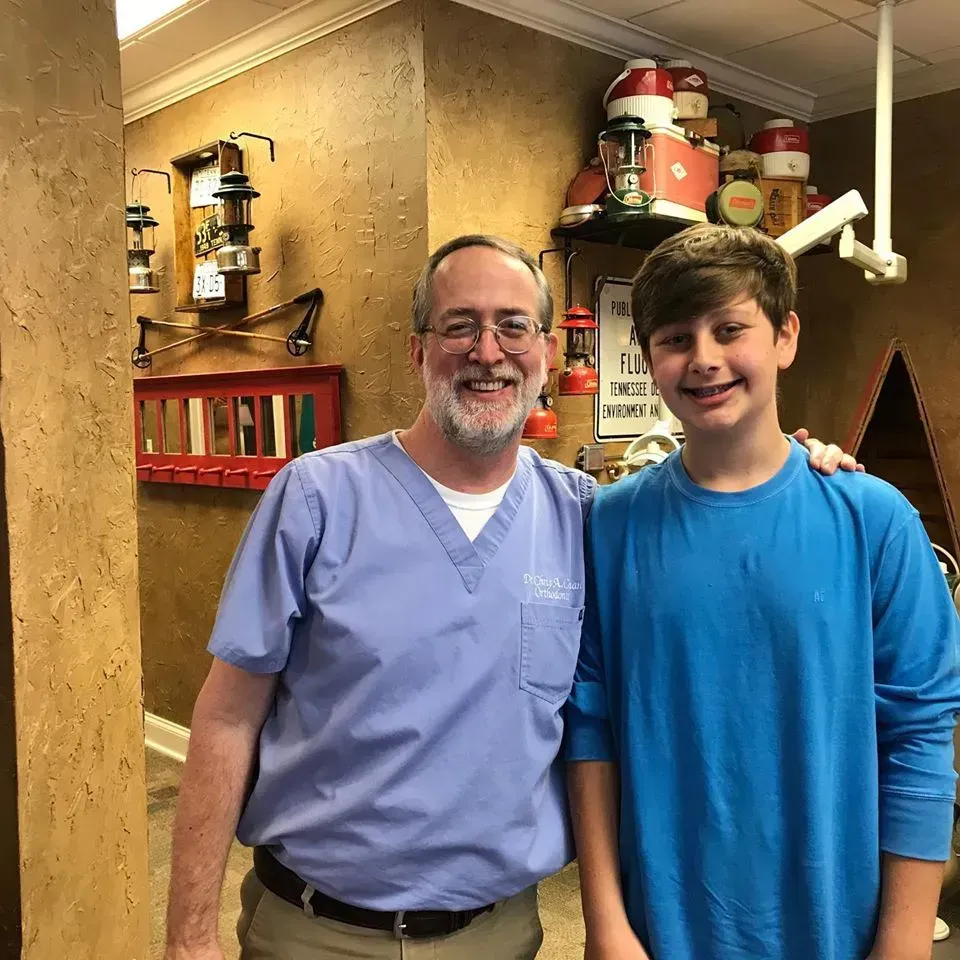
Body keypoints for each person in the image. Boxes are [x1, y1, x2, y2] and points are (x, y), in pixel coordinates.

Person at [162, 234, 857, 960]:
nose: (488, 352)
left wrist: (803, 467)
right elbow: (227, 717)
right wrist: (187, 935)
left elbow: (713, 517)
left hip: (501, 934)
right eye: (459, 325)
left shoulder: (588, 517)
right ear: (417, 350)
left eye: (514, 326)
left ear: (548, 353)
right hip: (314, 931)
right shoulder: (318, 498)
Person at [565, 223, 960, 960]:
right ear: (649, 358)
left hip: (836, 927)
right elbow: (591, 730)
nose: (704, 359)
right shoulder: (609, 526)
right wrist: (606, 926)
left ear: (785, 336)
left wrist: (903, 944)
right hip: (659, 930)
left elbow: (921, 738)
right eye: (676, 338)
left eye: (730, 329)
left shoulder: (873, 520)